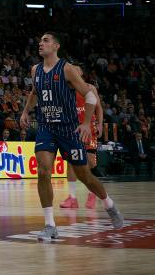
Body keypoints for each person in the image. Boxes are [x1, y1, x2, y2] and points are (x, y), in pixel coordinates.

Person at [20, 32, 123, 241]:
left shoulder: (67, 69)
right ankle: (50, 225)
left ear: (56, 46)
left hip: (69, 130)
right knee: (43, 171)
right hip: (46, 127)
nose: (40, 43)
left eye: (46, 40)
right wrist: (25, 111)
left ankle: (109, 204)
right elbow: (35, 92)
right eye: (39, 40)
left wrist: (86, 123)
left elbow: (90, 95)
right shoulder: (35, 70)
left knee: (85, 176)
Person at [60, 66, 104, 209]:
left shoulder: (90, 88)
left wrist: (100, 124)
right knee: (71, 162)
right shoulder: (64, 88)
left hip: (89, 127)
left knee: (90, 162)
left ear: (81, 73)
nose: (72, 70)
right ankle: (72, 198)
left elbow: (99, 108)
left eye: (76, 69)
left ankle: (92, 193)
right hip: (72, 128)